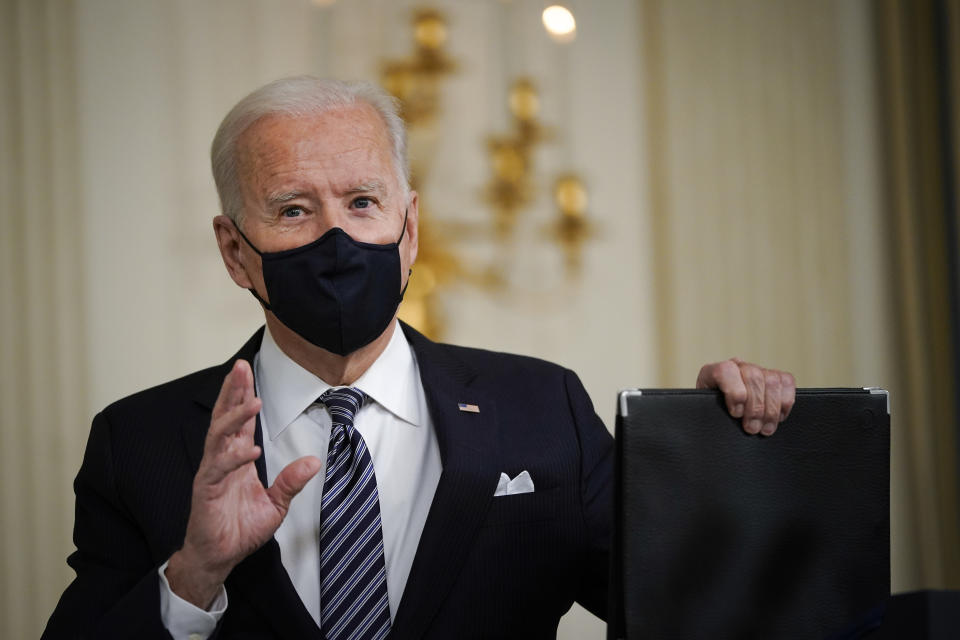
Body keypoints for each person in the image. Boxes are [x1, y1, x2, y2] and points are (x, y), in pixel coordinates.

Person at [43, 77, 796, 639]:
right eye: (294, 210)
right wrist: (194, 576)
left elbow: (687, 612)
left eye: (363, 202)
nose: (336, 240)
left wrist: (717, 450)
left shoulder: (543, 408)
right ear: (236, 251)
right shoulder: (137, 440)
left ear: (409, 230)